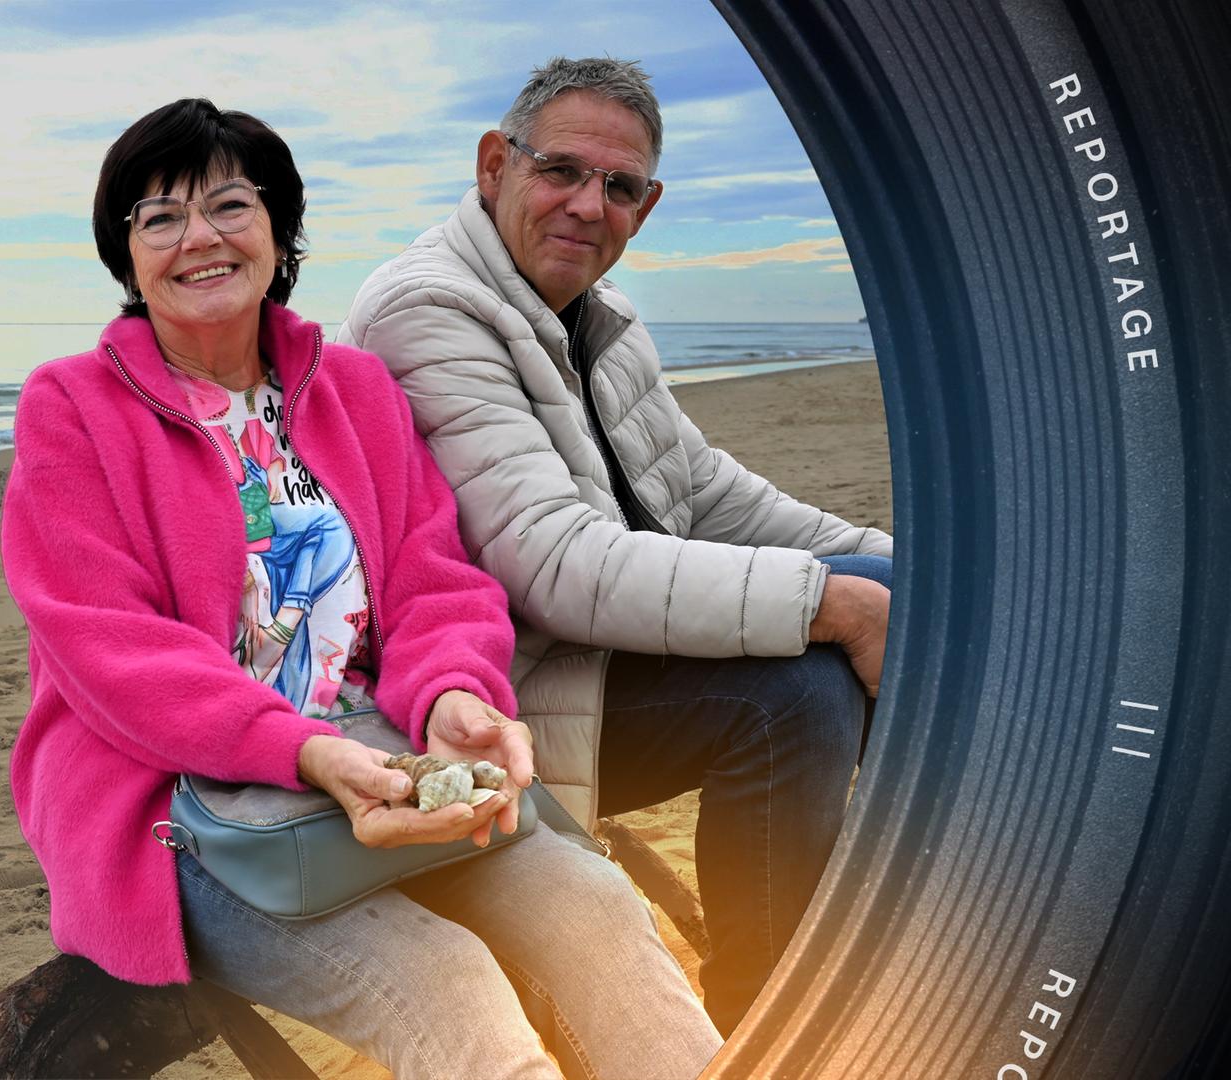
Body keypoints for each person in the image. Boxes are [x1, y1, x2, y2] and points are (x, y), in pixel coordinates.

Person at [2, 97, 721, 1079]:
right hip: (189, 804)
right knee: (446, 986)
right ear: (126, 255)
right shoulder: (71, 406)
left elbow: (435, 583)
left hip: (384, 762)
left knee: (597, 908)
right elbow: (108, 644)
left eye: (229, 206)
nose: (199, 237)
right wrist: (302, 751)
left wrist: (454, 695)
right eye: (160, 217)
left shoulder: (355, 389)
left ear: (279, 231)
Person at [339, 57, 895, 1035]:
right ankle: (773, 1019)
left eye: (620, 186)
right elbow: (553, 565)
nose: (588, 205)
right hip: (484, 714)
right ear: (494, 166)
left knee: (897, 592)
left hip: (590, 661)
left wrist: (897, 567)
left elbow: (706, 495)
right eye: (560, 170)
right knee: (797, 690)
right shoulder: (423, 313)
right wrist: (833, 602)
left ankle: (951, 913)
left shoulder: (604, 319)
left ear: (647, 205)